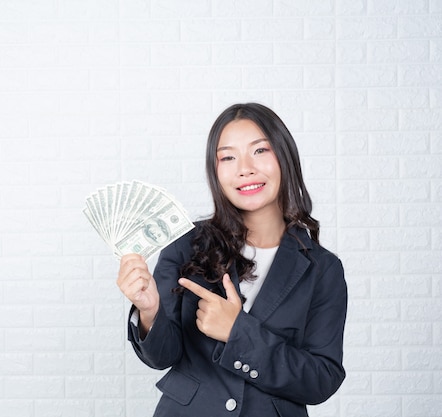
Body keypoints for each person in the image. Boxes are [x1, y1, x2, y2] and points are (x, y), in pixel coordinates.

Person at [116, 103, 347, 417]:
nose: (244, 168)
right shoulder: (186, 244)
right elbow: (162, 356)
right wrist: (149, 311)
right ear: (215, 171)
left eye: (260, 151)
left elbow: (321, 379)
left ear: (285, 157)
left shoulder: (323, 270)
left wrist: (238, 332)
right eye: (228, 157)